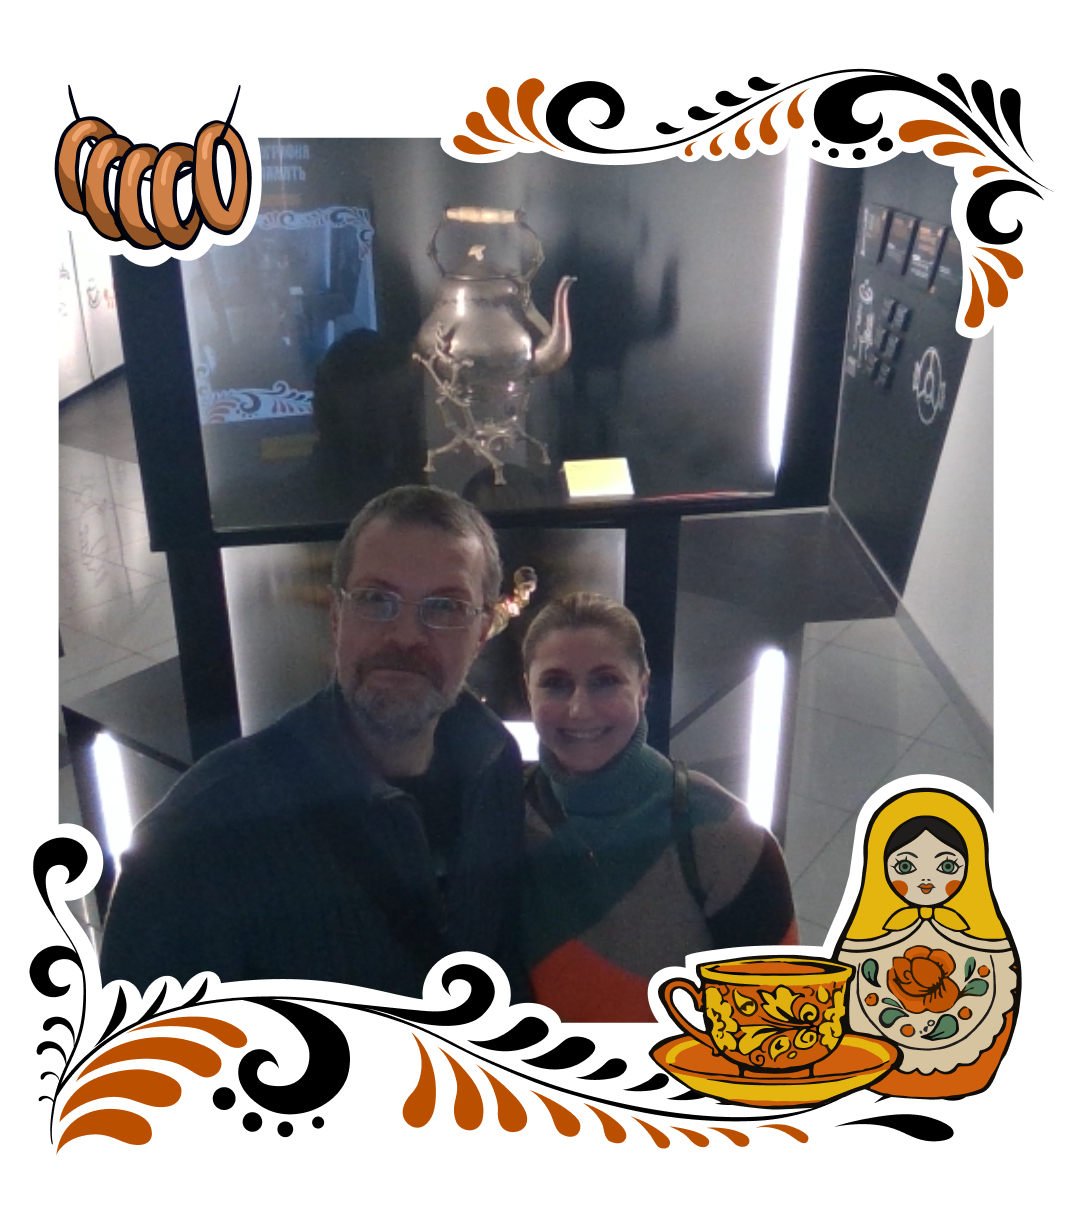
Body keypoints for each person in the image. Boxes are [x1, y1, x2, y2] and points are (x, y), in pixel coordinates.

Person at [100, 485, 527, 999]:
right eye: (376, 599)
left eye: (446, 607)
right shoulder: (196, 839)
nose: (406, 636)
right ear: (336, 615)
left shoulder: (496, 767)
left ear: (481, 632)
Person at [519, 592, 798, 1022]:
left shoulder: (723, 834)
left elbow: (777, 1026)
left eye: (605, 681)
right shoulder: (498, 814)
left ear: (644, 688)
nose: (579, 708)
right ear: (528, 690)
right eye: (555, 684)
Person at [836, 788, 1019, 1098]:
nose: (925, 881)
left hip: (970, 1071)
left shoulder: (988, 944)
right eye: (905, 867)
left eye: (946, 867)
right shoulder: (866, 941)